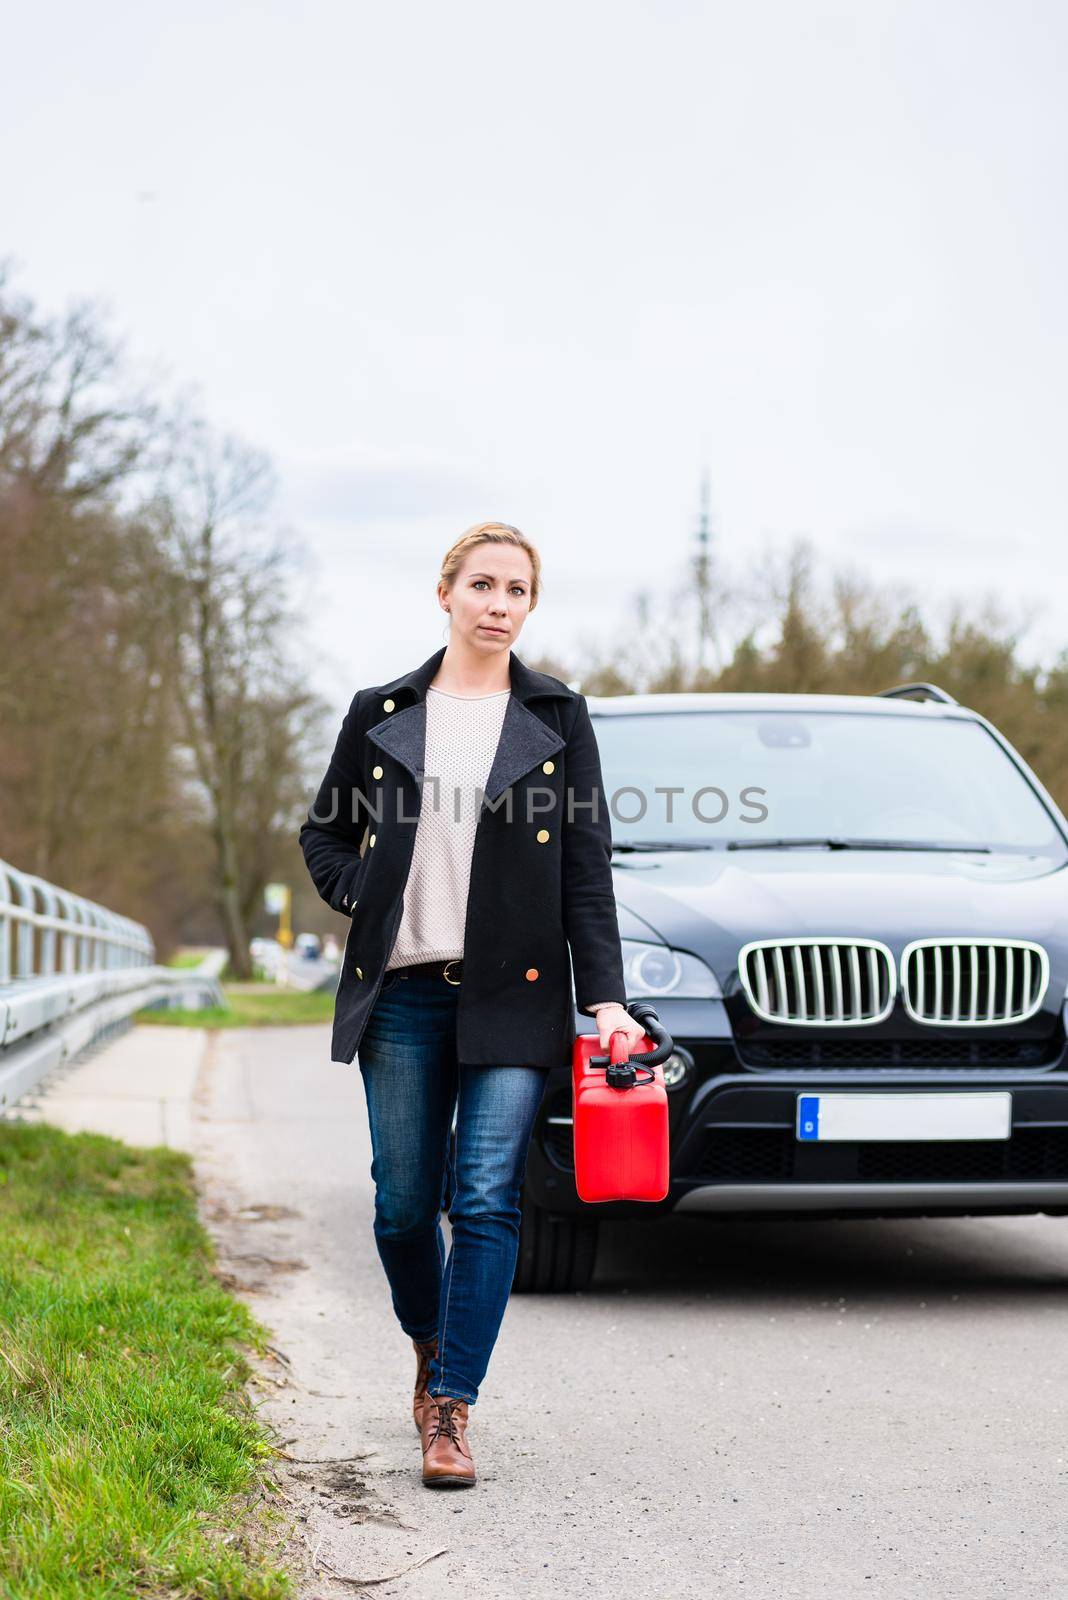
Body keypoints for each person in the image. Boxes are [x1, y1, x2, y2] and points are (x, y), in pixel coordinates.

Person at [298, 520, 645, 1488]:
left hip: (516, 997)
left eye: (517, 591)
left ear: (530, 606)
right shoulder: (382, 712)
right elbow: (322, 836)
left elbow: (587, 870)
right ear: (444, 591)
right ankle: (429, 1339)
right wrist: (364, 889)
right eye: (482, 585)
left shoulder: (559, 717)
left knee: (486, 1197)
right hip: (405, 995)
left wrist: (607, 999)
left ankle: (450, 1405)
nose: (499, 604)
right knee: (405, 1208)